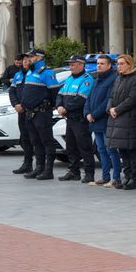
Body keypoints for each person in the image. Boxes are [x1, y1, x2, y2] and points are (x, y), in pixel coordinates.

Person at [20, 49, 60, 180]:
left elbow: (54, 93)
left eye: (30, 57)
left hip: (42, 113)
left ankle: (48, 171)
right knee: (35, 142)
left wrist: (50, 107)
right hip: (30, 113)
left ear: (38, 57)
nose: (27, 59)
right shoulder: (30, 72)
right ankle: (39, 168)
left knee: (47, 142)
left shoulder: (47, 73)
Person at [107, 55, 136, 190]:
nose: (119, 66)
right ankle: (127, 176)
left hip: (130, 118)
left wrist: (117, 109)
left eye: (122, 64)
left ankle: (134, 179)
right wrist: (110, 108)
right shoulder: (118, 79)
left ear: (129, 64)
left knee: (131, 150)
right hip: (117, 118)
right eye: (118, 64)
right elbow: (112, 96)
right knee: (122, 149)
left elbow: (132, 99)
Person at [56, 55, 95, 183]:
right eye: (70, 64)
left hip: (80, 119)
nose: (70, 66)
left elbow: (81, 99)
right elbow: (60, 94)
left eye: (73, 64)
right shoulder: (69, 78)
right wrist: (59, 106)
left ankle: (89, 173)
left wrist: (65, 108)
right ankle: (74, 171)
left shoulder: (87, 79)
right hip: (69, 118)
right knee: (70, 146)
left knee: (84, 147)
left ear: (81, 64)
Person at [85, 55, 120, 187]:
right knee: (101, 150)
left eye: (102, 63)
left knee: (111, 150)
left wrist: (94, 114)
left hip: (105, 120)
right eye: (98, 63)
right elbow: (89, 98)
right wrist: (87, 112)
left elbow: (108, 100)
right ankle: (105, 177)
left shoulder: (113, 79)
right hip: (94, 121)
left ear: (109, 65)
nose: (99, 65)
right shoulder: (97, 79)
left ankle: (116, 178)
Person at [9, 54, 34, 175]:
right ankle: (27, 164)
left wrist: (24, 105)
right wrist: (15, 104)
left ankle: (41, 165)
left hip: (32, 111)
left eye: (27, 60)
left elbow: (34, 93)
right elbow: (12, 91)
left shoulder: (35, 74)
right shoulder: (18, 75)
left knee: (36, 139)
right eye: (23, 60)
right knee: (25, 139)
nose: (25, 62)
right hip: (21, 112)